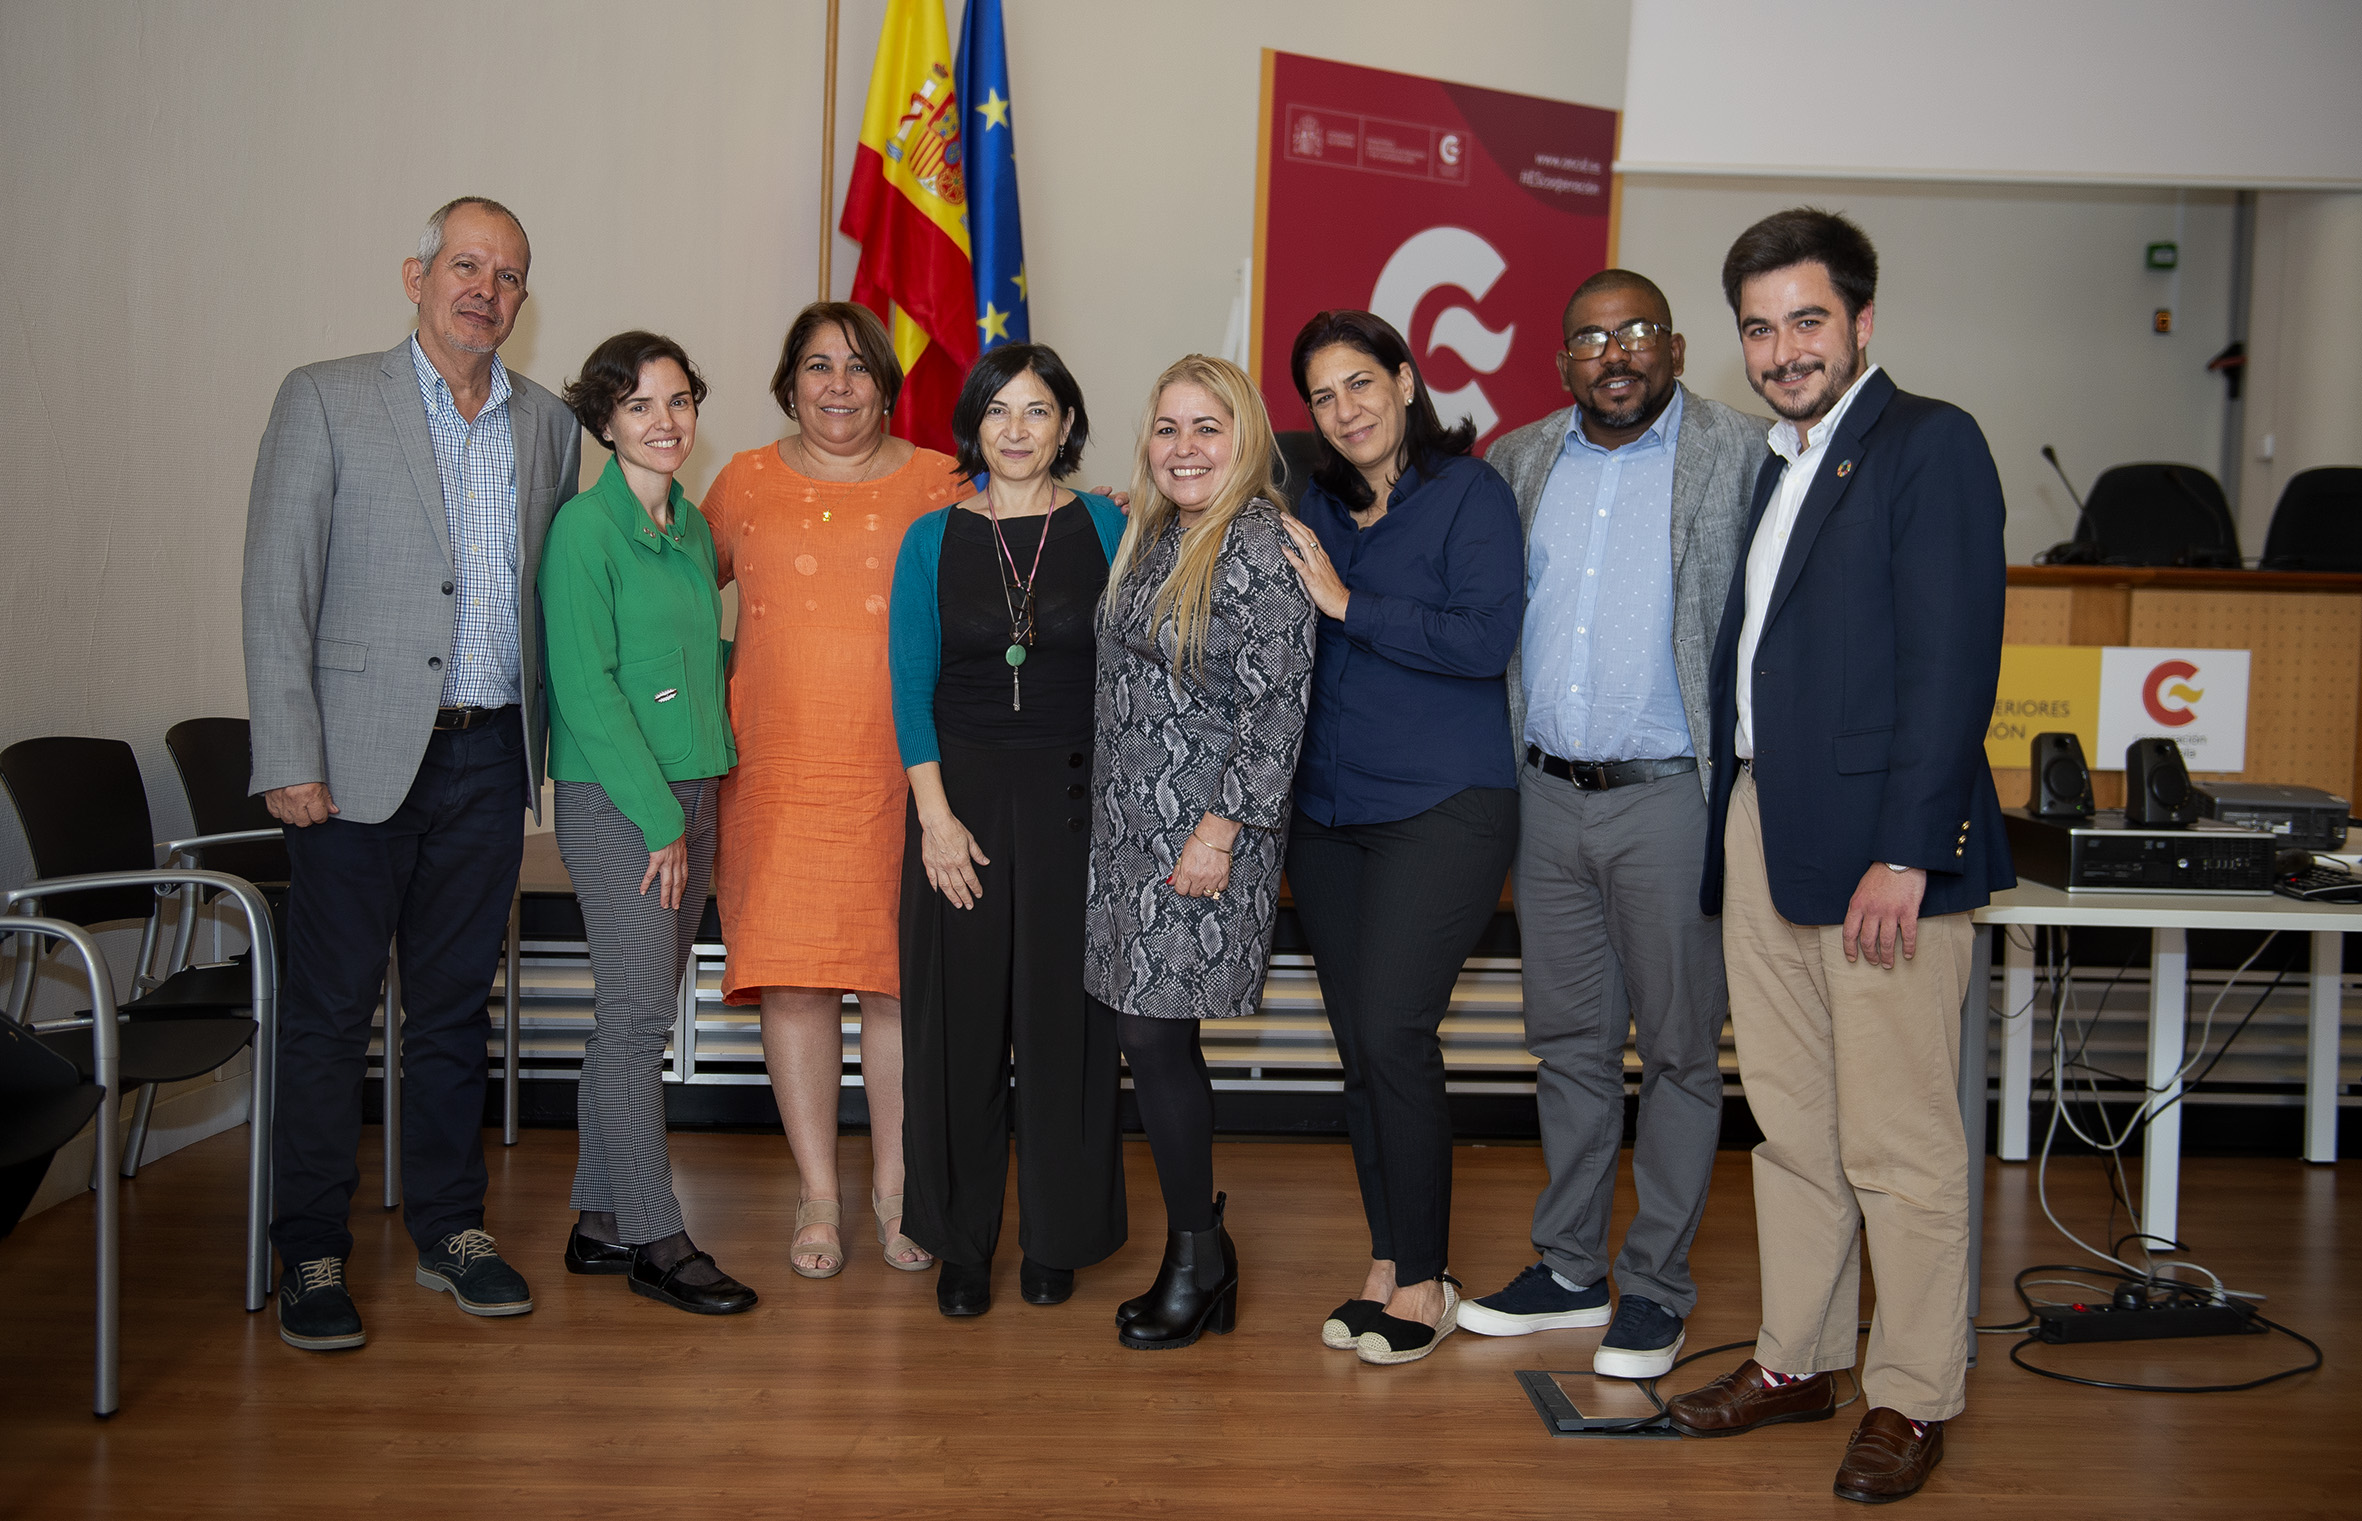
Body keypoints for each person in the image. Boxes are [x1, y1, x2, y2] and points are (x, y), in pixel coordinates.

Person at [1665, 209, 2011, 1506]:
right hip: (1765, 823)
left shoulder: (1928, 443)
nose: (1781, 348)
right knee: (1797, 1130)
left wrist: (1907, 852)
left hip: (1882, 851)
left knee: (1900, 1139)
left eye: (1805, 320)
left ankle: (1912, 1392)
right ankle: (1797, 1359)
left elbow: (1949, 662)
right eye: (1759, 326)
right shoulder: (1776, 460)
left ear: (1861, 322)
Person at [243, 196, 579, 1350]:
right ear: (417, 275)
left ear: (523, 303)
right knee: (331, 1019)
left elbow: (553, 595)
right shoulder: (325, 396)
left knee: (450, 1012)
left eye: (508, 275)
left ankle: (450, 1230)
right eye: (466, 265)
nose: (485, 289)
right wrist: (288, 753)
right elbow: (274, 586)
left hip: (489, 757)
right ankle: (313, 1252)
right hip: (349, 764)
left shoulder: (547, 425)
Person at [1457, 270, 1765, 1378]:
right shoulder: (1518, 460)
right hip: (1544, 798)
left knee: (1681, 1053)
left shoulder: (1741, 455)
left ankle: (1658, 1290)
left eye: (1636, 331)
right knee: (1569, 1049)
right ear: (1562, 362)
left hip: (1671, 798)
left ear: (1675, 348)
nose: (1615, 352)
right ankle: (1570, 1268)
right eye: (1590, 337)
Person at [1273, 311, 1522, 1367]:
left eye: (1362, 383)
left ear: (1407, 382)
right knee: (1361, 1052)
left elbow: (1483, 641)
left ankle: (1424, 1281)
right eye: (1325, 397)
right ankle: (1387, 1257)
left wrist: (1345, 601)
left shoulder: (1471, 494)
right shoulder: (1310, 505)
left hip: (1444, 808)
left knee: (1393, 1034)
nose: (1347, 409)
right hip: (1329, 818)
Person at [704, 302, 967, 1279]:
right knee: (800, 984)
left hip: (903, 778)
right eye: (818, 366)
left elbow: (1004, 582)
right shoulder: (741, 484)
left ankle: (897, 1192)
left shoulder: (940, 481)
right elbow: (677, 604)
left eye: (858, 367)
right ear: (789, 382)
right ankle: (818, 1194)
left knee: (899, 988)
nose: (839, 385)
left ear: (886, 384)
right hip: (775, 778)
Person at [891, 343, 1130, 1318]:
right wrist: (934, 820)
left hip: (1078, 806)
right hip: (964, 810)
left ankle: (1058, 1237)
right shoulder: (928, 538)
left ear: (1066, 425)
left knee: (1065, 1029)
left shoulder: (1112, 523)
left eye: (1038, 411)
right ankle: (957, 1241)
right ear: (974, 425)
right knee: (956, 1030)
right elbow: (908, 687)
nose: (1018, 430)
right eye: (1000, 411)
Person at [1087, 355, 1316, 1351]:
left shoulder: (1263, 543)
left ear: (1246, 439)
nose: (1184, 449)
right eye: (1167, 429)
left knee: (1152, 1038)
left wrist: (1221, 832)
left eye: (1206, 428)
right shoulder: (1154, 534)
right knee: (1154, 1040)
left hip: (1205, 833)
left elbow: (1278, 702)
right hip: (1129, 828)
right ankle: (1200, 1248)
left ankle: (1195, 1253)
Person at [541, 332, 755, 1316]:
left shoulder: (690, 528)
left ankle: (595, 1222)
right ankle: (653, 1238)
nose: (664, 422)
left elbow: (702, 656)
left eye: (678, 402)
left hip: (694, 797)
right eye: (639, 405)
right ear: (603, 422)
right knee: (634, 1026)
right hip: (627, 806)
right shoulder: (587, 534)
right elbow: (587, 690)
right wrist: (662, 819)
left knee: (635, 1015)